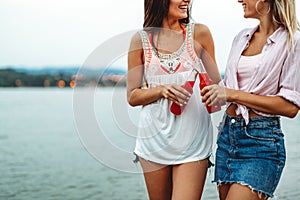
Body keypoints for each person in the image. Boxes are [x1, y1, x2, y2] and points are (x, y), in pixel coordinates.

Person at [201, 0, 300, 199]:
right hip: (227, 138)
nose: (239, 0)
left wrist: (232, 94)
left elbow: (290, 107)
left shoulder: (293, 41)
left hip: (260, 144)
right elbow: (227, 91)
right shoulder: (241, 38)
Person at [127, 0, 221, 199]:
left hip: (193, 143)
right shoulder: (140, 40)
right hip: (152, 143)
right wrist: (161, 90)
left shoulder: (200, 33)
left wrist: (203, 77)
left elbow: (217, 86)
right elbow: (132, 96)